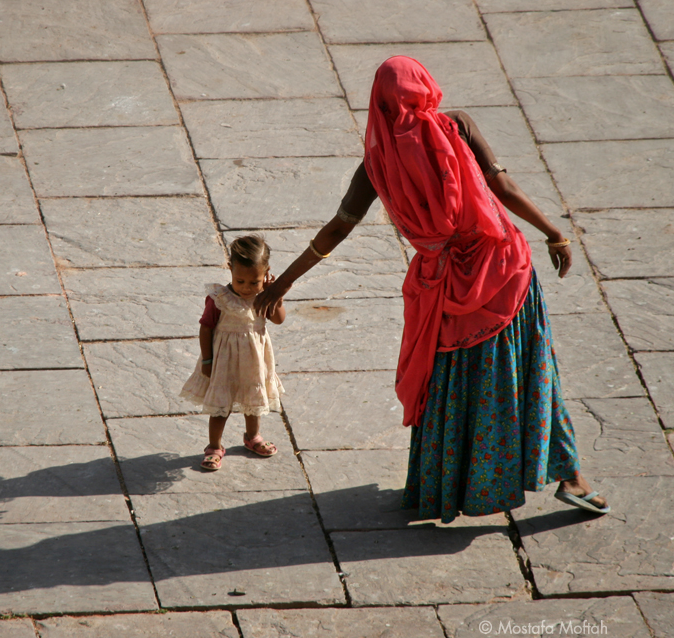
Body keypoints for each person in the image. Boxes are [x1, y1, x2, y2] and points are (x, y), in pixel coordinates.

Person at [254, 56, 609, 521]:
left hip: (441, 290)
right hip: (503, 273)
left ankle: (445, 486)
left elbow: (337, 229)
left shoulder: (376, 165)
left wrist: (282, 282)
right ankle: (570, 477)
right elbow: (502, 186)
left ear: (378, 105)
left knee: (450, 387)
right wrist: (554, 233)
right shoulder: (455, 126)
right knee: (531, 375)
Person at [181, 234, 287, 471]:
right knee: (221, 405)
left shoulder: (264, 296)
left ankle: (253, 437)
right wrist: (206, 360)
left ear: (266, 273)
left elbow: (278, 319)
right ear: (230, 269)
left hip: (254, 361)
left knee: (253, 398)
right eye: (240, 281)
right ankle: (214, 447)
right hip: (223, 361)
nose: (247, 288)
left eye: (254, 282)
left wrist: (275, 295)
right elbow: (206, 328)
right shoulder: (220, 299)